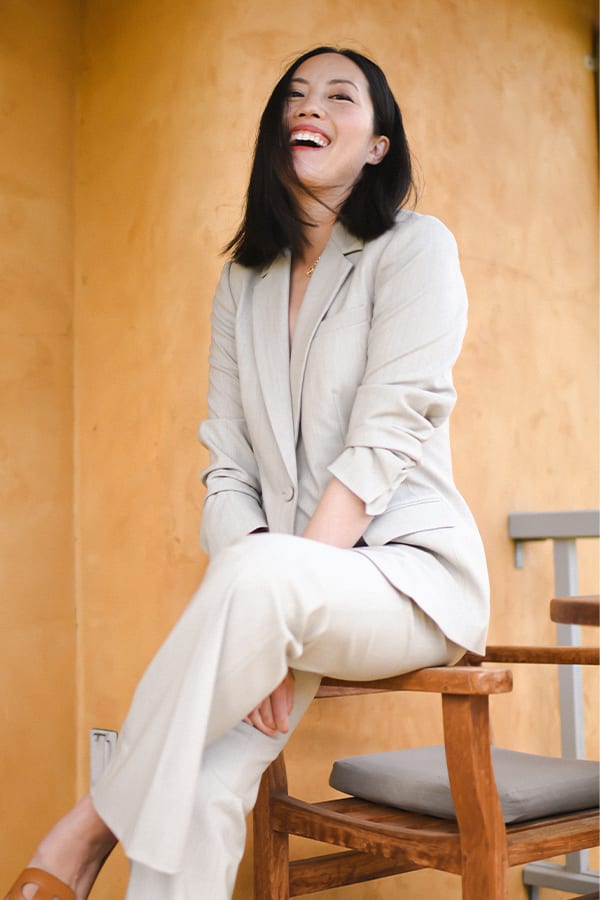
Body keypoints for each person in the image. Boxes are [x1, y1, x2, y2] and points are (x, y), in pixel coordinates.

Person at [6, 45, 489, 900]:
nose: (314, 106)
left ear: (378, 144)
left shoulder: (416, 251)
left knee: (263, 574)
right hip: (277, 598)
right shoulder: (243, 282)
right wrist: (265, 604)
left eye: (342, 97)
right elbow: (226, 469)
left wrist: (277, 585)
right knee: (197, 783)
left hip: (407, 584)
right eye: (297, 96)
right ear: (277, 131)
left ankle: (87, 829)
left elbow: (384, 440)